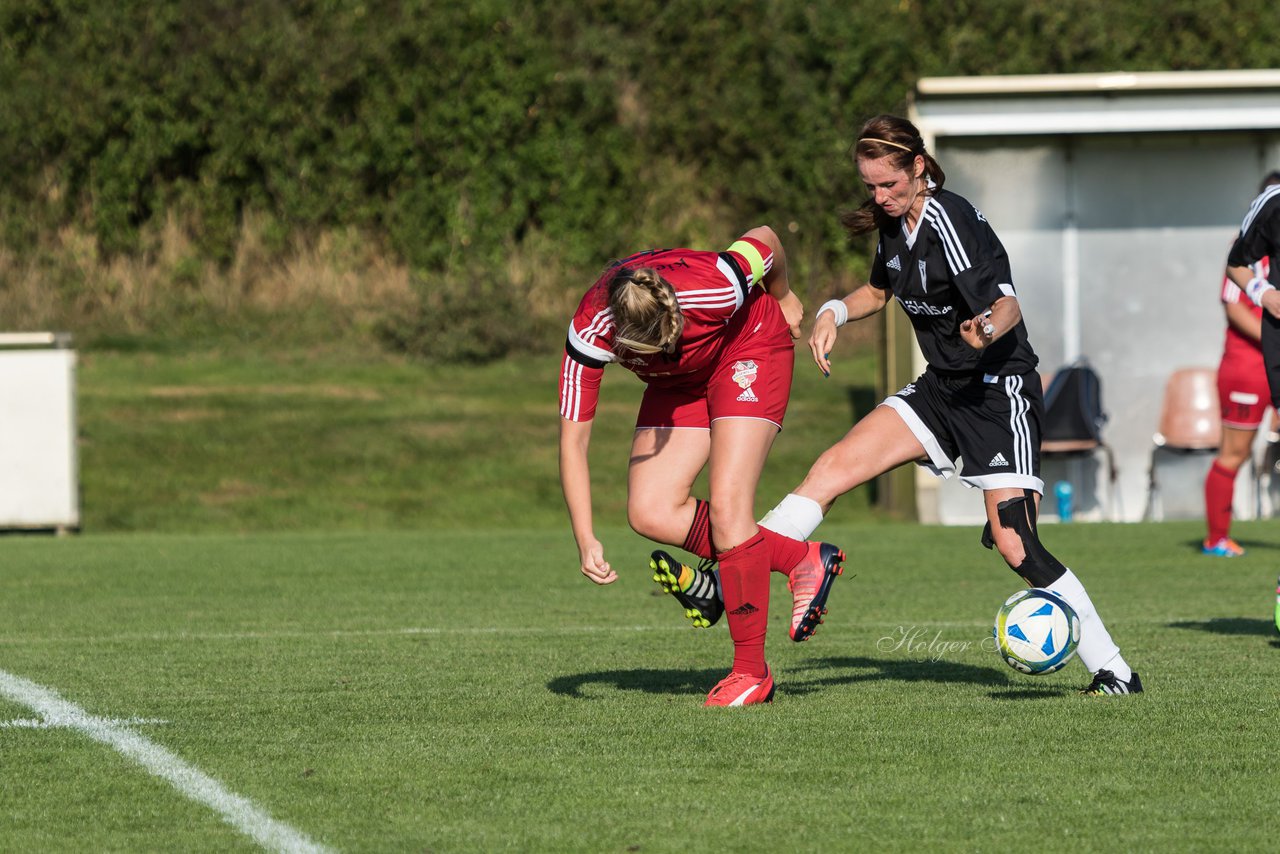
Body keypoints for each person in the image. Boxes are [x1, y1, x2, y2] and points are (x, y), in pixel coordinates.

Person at [734, 114, 1140, 695]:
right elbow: (879, 289)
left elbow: (1008, 307)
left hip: (998, 391)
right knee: (831, 468)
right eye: (870, 187)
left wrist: (983, 332)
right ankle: (731, 575)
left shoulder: (950, 222)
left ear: (918, 167)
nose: (879, 197)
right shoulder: (894, 224)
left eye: (890, 185)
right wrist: (834, 311)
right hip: (942, 390)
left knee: (1015, 542)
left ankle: (1115, 671)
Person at [557, 227, 846, 707]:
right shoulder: (590, 333)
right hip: (679, 387)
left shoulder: (716, 285)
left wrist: (786, 294)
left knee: (730, 511)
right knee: (650, 511)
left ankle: (752, 673)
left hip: (747, 347)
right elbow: (573, 442)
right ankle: (800, 560)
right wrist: (585, 537)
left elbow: (765, 238)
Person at [1204, 172, 1280, 557]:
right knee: (1234, 451)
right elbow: (1234, 307)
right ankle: (1217, 537)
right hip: (1247, 365)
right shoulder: (1246, 248)